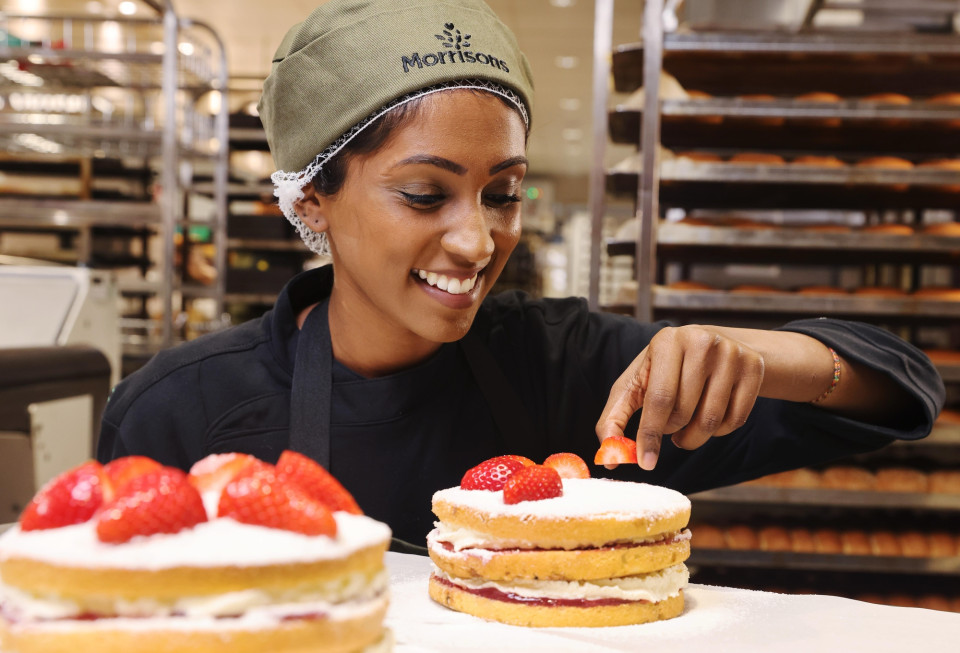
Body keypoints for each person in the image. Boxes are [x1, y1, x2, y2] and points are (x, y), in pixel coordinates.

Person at [97, 0, 944, 547]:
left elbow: (901, 389)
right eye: (425, 194)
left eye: (502, 194)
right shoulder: (180, 413)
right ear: (314, 198)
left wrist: (752, 353)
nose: (476, 241)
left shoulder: (567, 366)